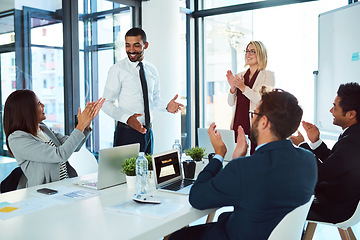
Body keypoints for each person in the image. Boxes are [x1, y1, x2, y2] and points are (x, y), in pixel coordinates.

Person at [169, 89, 317, 240]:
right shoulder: (309, 161)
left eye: (254, 114)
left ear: (264, 122)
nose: (251, 119)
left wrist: (219, 154)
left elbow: (197, 198)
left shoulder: (246, 168)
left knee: (177, 237)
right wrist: (237, 160)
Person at [102, 27, 183, 154]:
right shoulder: (117, 69)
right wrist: (127, 118)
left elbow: (154, 99)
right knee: (125, 174)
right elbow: (106, 104)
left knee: (148, 172)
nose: (131, 50)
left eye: (136, 45)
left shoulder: (151, 69)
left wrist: (166, 106)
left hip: (148, 133)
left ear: (145, 45)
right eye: (128, 45)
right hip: (126, 133)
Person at [3, 89, 104, 187]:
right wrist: (80, 125)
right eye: (38, 104)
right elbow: (60, 155)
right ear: (26, 111)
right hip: (44, 193)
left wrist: (85, 126)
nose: (43, 106)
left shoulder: (42, 128)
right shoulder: (17, 139)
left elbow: (74, 146)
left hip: (64, 185)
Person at [290, 82, 360, 223]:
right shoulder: (353, 133)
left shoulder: (353, 141)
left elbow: (321, 172)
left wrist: (302, 144)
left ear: (351, 114)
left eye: (335, 107)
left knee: (282, 201)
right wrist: (316, 142)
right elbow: (335, 164)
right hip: (339, 200)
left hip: (335, 208)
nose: (330, 110)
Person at [226, 41, 275, 154]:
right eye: (247, 51)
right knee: (238, 159)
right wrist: (233, 88)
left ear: (261, 54)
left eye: (253, 51)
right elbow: (230, 103)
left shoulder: (268, 75)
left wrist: (243, 87)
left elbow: (262, 100)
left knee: (255, 159)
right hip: (238, 122)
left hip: (256, 125)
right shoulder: (239, 75)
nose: (248, 54)